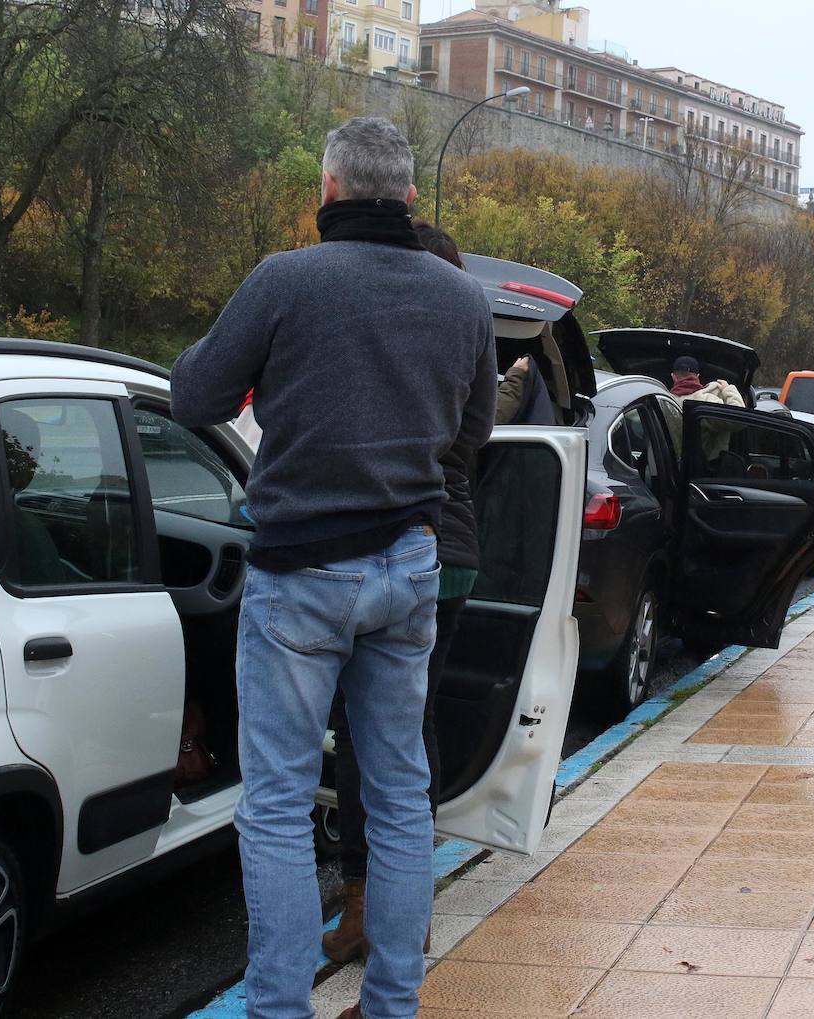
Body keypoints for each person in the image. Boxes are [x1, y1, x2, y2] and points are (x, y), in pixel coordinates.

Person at [170, 116, 497, 1019]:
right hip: (411, 567)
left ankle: (280, 1008)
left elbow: (194, 393)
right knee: (398, 795)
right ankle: (394, 1003)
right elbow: (472, 435)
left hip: (301, 574)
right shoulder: (463, 300)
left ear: (328, 190)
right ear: (409, 198)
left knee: (275, 803)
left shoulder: (285, 280)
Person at [322, 220, 484, 968]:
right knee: (409, 731)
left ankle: (384, 919)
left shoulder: (403, 341)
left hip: (409, 549)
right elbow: (475, 439)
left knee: (374, 738)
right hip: (454, 552)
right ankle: (383, 912)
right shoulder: (459, 336)